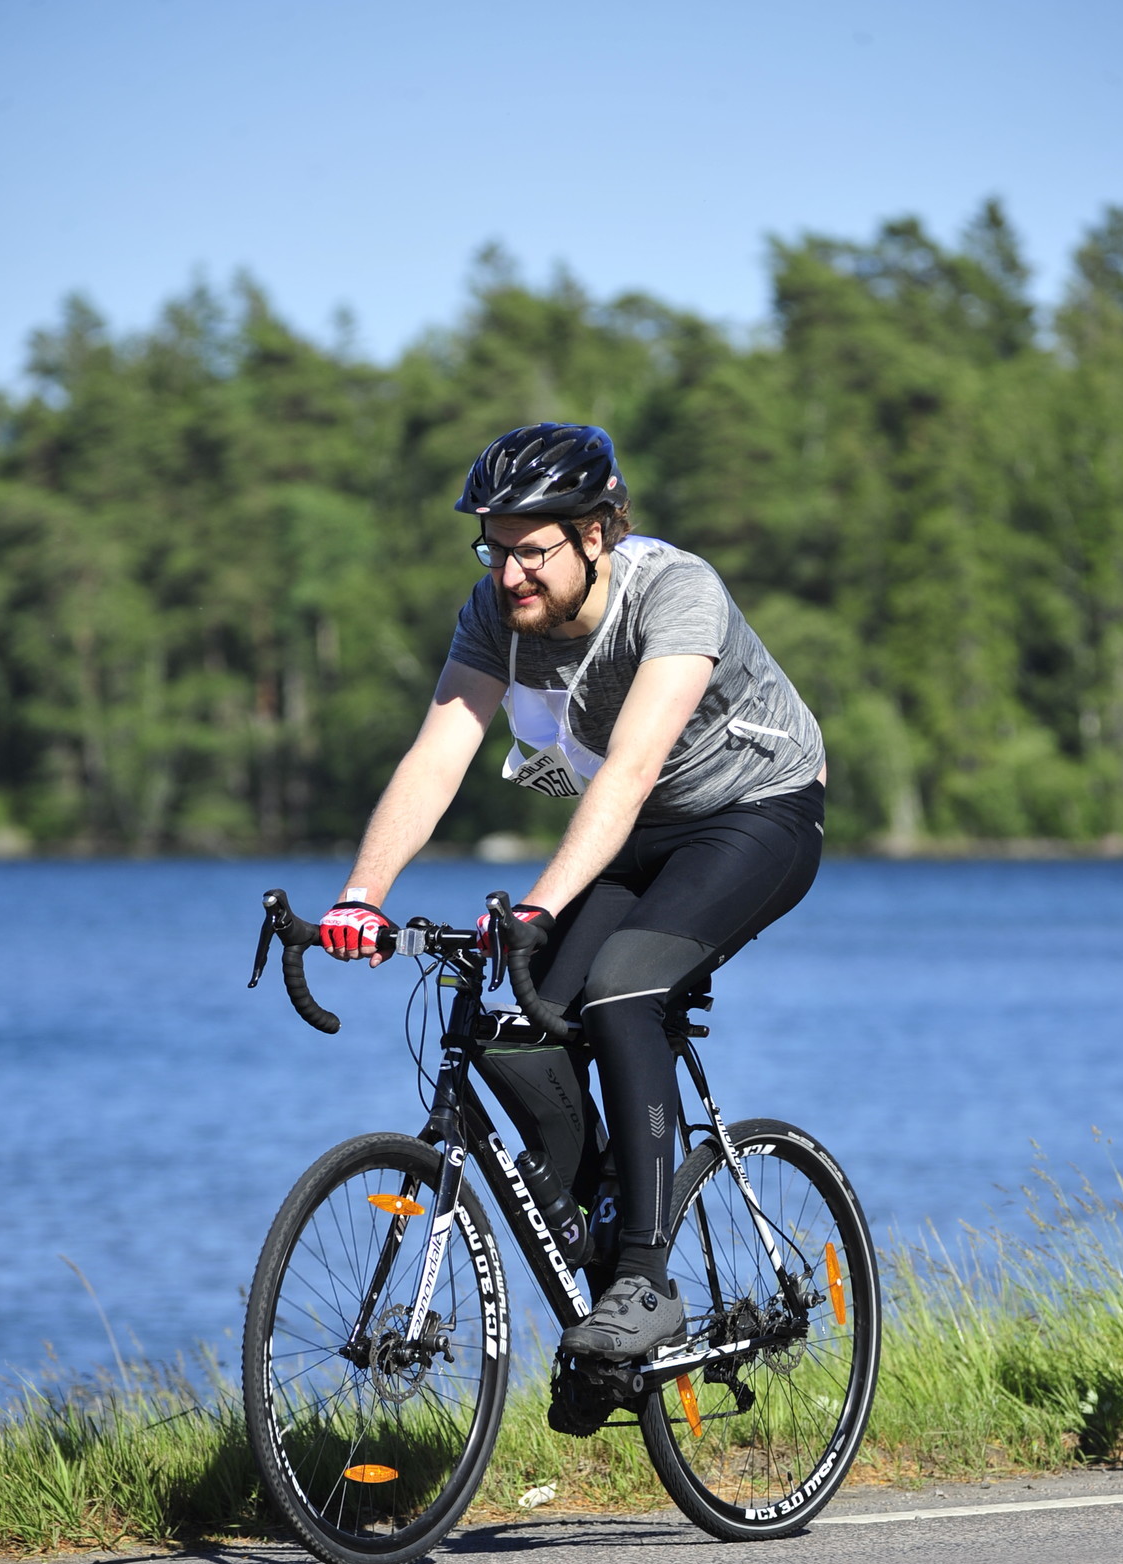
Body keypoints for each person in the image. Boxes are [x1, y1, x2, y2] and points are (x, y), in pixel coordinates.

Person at [320, 422, 826, 1367]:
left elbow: (629, 770)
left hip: (754, 813)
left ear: (596, 534)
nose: (509, 575)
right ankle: (600, 1222)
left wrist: (538, 906)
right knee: (530, 1013)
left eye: (531, 552)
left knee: (624, 987)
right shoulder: (494, 613)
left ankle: (644, 1280)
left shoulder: (675, 592)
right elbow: (438, 754)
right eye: (493, 549)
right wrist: (361, 895)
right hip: (629, 832)